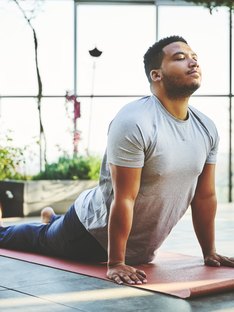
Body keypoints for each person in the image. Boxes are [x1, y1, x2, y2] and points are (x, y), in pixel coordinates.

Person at [0, 35, 234, 286]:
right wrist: (115, 263)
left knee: (50, 229)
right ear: (157, 75)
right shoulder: (135, 121)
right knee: (42, 239)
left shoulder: (206, 127)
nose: (193, 62)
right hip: (90, 233)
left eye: (194, 57)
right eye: (180, 58)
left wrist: (209, 251)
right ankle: (46, 225)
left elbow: (204, 196)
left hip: (140, 247)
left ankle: (51, 218)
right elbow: (125, 197)